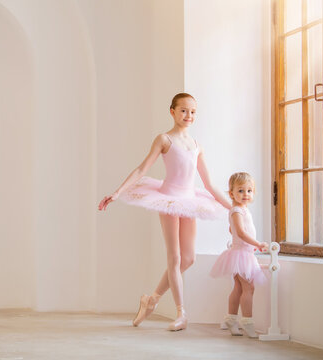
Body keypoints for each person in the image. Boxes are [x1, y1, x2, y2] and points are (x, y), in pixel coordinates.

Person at [98, 93, 231, 331]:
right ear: (172, 111)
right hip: (168, 200)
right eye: (183, 110)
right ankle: (181, 314)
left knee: (189, 258)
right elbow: (142, 168)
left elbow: (209, 184)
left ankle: (151, 300)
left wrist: (234, 208)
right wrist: (118, 192)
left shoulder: (197, 146)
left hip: (190, 201)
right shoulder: (164, 139)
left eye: (192, 112)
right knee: (175, 257)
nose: (188, 115)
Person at [210, 172, 268, 338]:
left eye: (249, 191)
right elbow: (241, 232)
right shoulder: (236, 211)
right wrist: (258, 244)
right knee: (249, 288)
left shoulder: (241, 210)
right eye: (241, 191)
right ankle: (247, 321)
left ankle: (231, 319)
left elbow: (233, 230)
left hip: (242, 253)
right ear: (231, 193)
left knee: (239, 288)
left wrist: (248, 243)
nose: (246, 194)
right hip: (242, 254)